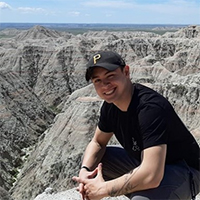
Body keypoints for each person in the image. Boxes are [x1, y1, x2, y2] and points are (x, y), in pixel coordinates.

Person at [72, 51, 200, 200]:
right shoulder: (110, 107)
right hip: (146, 162)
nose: (105, 85)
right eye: (97, 80)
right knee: (97, 160)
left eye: (110, 76)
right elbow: (98, 142)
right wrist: (85, 171)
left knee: (142, 198)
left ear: (126, 72)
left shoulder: (150, 108)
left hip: (185, 170)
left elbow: (152, 175)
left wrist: (103, 190)